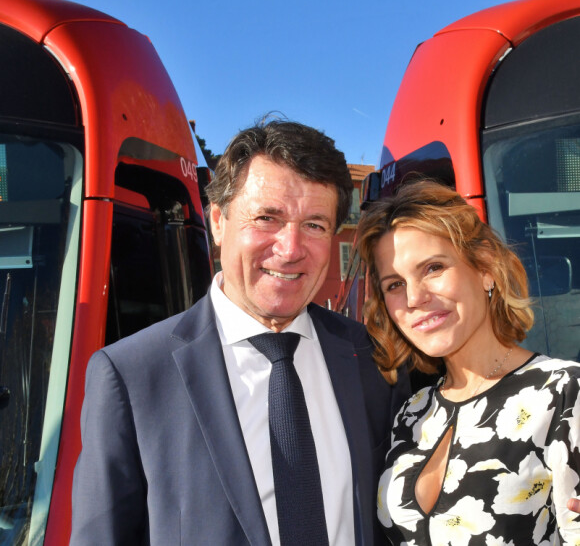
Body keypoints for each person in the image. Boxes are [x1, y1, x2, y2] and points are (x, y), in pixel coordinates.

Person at [70, 118, 410, 545]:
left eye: (315, 225)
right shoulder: (132, 377)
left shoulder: (372, 359)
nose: (290, 249)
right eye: (267, 217)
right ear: (217, 221)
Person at [356, 179, 580, 544]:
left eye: (433, 268)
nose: (414, 297)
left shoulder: (565, 393)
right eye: (394, 284)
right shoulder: (412, 412)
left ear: (485, 267)